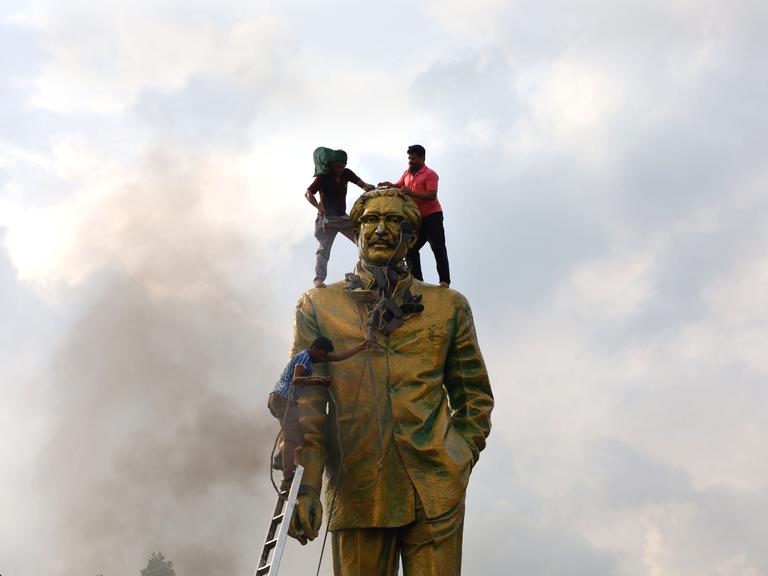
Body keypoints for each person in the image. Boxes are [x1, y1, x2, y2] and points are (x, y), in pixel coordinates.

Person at [288, 188, 493, 575]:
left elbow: (475, 397)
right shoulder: (318, 306)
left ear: (412, 237)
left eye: (394, 221)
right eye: (370, 220)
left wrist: (458, 458)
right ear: (357, 230)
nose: (381, 229)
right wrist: (308, 486)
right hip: (358, 486)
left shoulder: (449, 307)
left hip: (435, 488)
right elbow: (306, 407)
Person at [268, 335, 371, 484]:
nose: (323, 359)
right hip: (283, 400)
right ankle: (288, 477)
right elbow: (297, 379)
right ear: (314, 348)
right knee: (291, 438)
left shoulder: (311, 357)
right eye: (322, 355)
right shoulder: (304, 358)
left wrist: (361, 347)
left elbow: (336, 357)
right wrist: (319, 381)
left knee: (299, 436)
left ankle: (280, 459)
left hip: (283, 401)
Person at [379, 144, 450, 286]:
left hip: (432, 215)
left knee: (437, 247)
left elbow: (431, 195)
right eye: (409, 158)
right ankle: (417, 280)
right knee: (410, 249)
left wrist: (412, 193)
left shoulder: (430, 174)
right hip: (416, 218)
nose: (410, 161)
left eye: (413, 158)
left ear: (422, 158)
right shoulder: (407, 173)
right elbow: (399, 185)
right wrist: (389, 184)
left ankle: (444, 280)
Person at [306, 147, 375, 288]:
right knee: (323, 250)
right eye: (336, 167)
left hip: (343, 218)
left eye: (341, 166)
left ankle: (370, 272)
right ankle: (318, 279)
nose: (339, 169)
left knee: (363, 241)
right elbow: (308, 193)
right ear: (331, 165)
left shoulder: (346, 173)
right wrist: (319, 208)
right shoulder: (323, 177)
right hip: (327, 220)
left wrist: (369, 187)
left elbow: (362, 184)